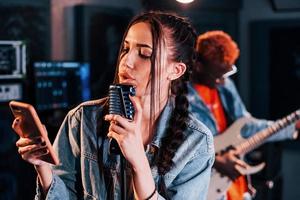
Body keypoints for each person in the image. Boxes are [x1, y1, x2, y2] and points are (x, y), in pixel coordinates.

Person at [12, 11, 215, 200]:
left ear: (176, 70)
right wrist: (43, 167)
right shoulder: (82, 119)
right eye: (126, 49)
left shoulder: (197, 143)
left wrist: (138, 162)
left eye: (145, 54)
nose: (126, 62)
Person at [187, 30, 300, 200]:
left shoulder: (225, 84)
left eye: (226, 74)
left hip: (234, 183)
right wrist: (215, 161)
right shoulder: (178, 95)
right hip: (203, 184)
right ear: (198, 66)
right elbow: (175, 145)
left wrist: (292, 126)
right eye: (218, 75)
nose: (222, 80)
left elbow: (246, 126)